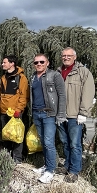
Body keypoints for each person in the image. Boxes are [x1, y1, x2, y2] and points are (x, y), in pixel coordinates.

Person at [55, 47, 95, 183]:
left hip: (74, 115)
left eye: (68, 55)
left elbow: (88, 93)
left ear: (74, 57)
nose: (66, 58)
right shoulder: (58, 72)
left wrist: (83, 112)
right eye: (64, 56)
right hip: (60, 114)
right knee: (65, 142)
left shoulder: (83, 72)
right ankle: (67, 165)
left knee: (75, 144)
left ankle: (74, 171)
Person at [29, 54, 66, 184]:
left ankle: (50, 171)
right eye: (36, 62)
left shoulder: (55, 75)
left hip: (49, 114)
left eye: (41, 62)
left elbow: (62, 95)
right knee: (43, 142)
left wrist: (61, 114)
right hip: (36, 114)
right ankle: (46, 165)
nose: (38, 64)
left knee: (49, 142)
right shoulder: (33, 77)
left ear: (47, 63)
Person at [0, 55, 29, 164]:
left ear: (12, 64)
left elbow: (23, 96)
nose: (2, 64)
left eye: (4, 62)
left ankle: (17, 159)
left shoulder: (21, 78)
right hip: (3, 112)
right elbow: (0, 95)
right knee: (6, 136)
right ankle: (7, 157)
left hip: (15, 112)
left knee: (16, 136)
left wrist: (19, 110)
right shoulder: (3, 78)